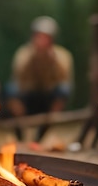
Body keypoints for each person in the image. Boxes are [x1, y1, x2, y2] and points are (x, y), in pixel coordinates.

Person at [5, 16, 74, 144]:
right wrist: (33, 57)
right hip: (28, 96)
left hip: (48, 97)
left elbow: (64, 79)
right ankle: (21, 131)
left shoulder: (62, 55)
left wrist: (52, 61)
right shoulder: (24, 53)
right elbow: (18, 76)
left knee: (63, 90)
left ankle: (41, 134)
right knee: (11, 90)